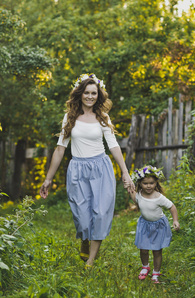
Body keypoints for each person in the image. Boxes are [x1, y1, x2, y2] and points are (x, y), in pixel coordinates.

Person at [39, 73, 134, 267]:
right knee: (82, 215)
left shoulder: (103, 118)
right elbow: (60, 149)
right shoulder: (70, 117)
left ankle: (90, 260)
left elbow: (114, 145)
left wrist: (125, 172)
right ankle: (84, 238)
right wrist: (48, 179)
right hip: (78, 169)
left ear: (98, 95)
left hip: (101, 168)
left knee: (100, 213)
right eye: (86, 93)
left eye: (94, 93)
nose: (90, 96)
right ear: (80, 94)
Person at [128, 165, 180, 283]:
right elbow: (136, 199)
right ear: (140, 183)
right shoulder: (140, 194)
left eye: (151, 183)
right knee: (143, 249)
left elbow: (172, 207)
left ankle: (156, 273)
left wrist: (175, 220)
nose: (148, 186)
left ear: (156, 182)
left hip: (158, 226)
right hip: (144, 225)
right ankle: (145, 266)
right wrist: (130, 190)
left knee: (157, 250)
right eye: (145, 183)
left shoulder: (158, 197)